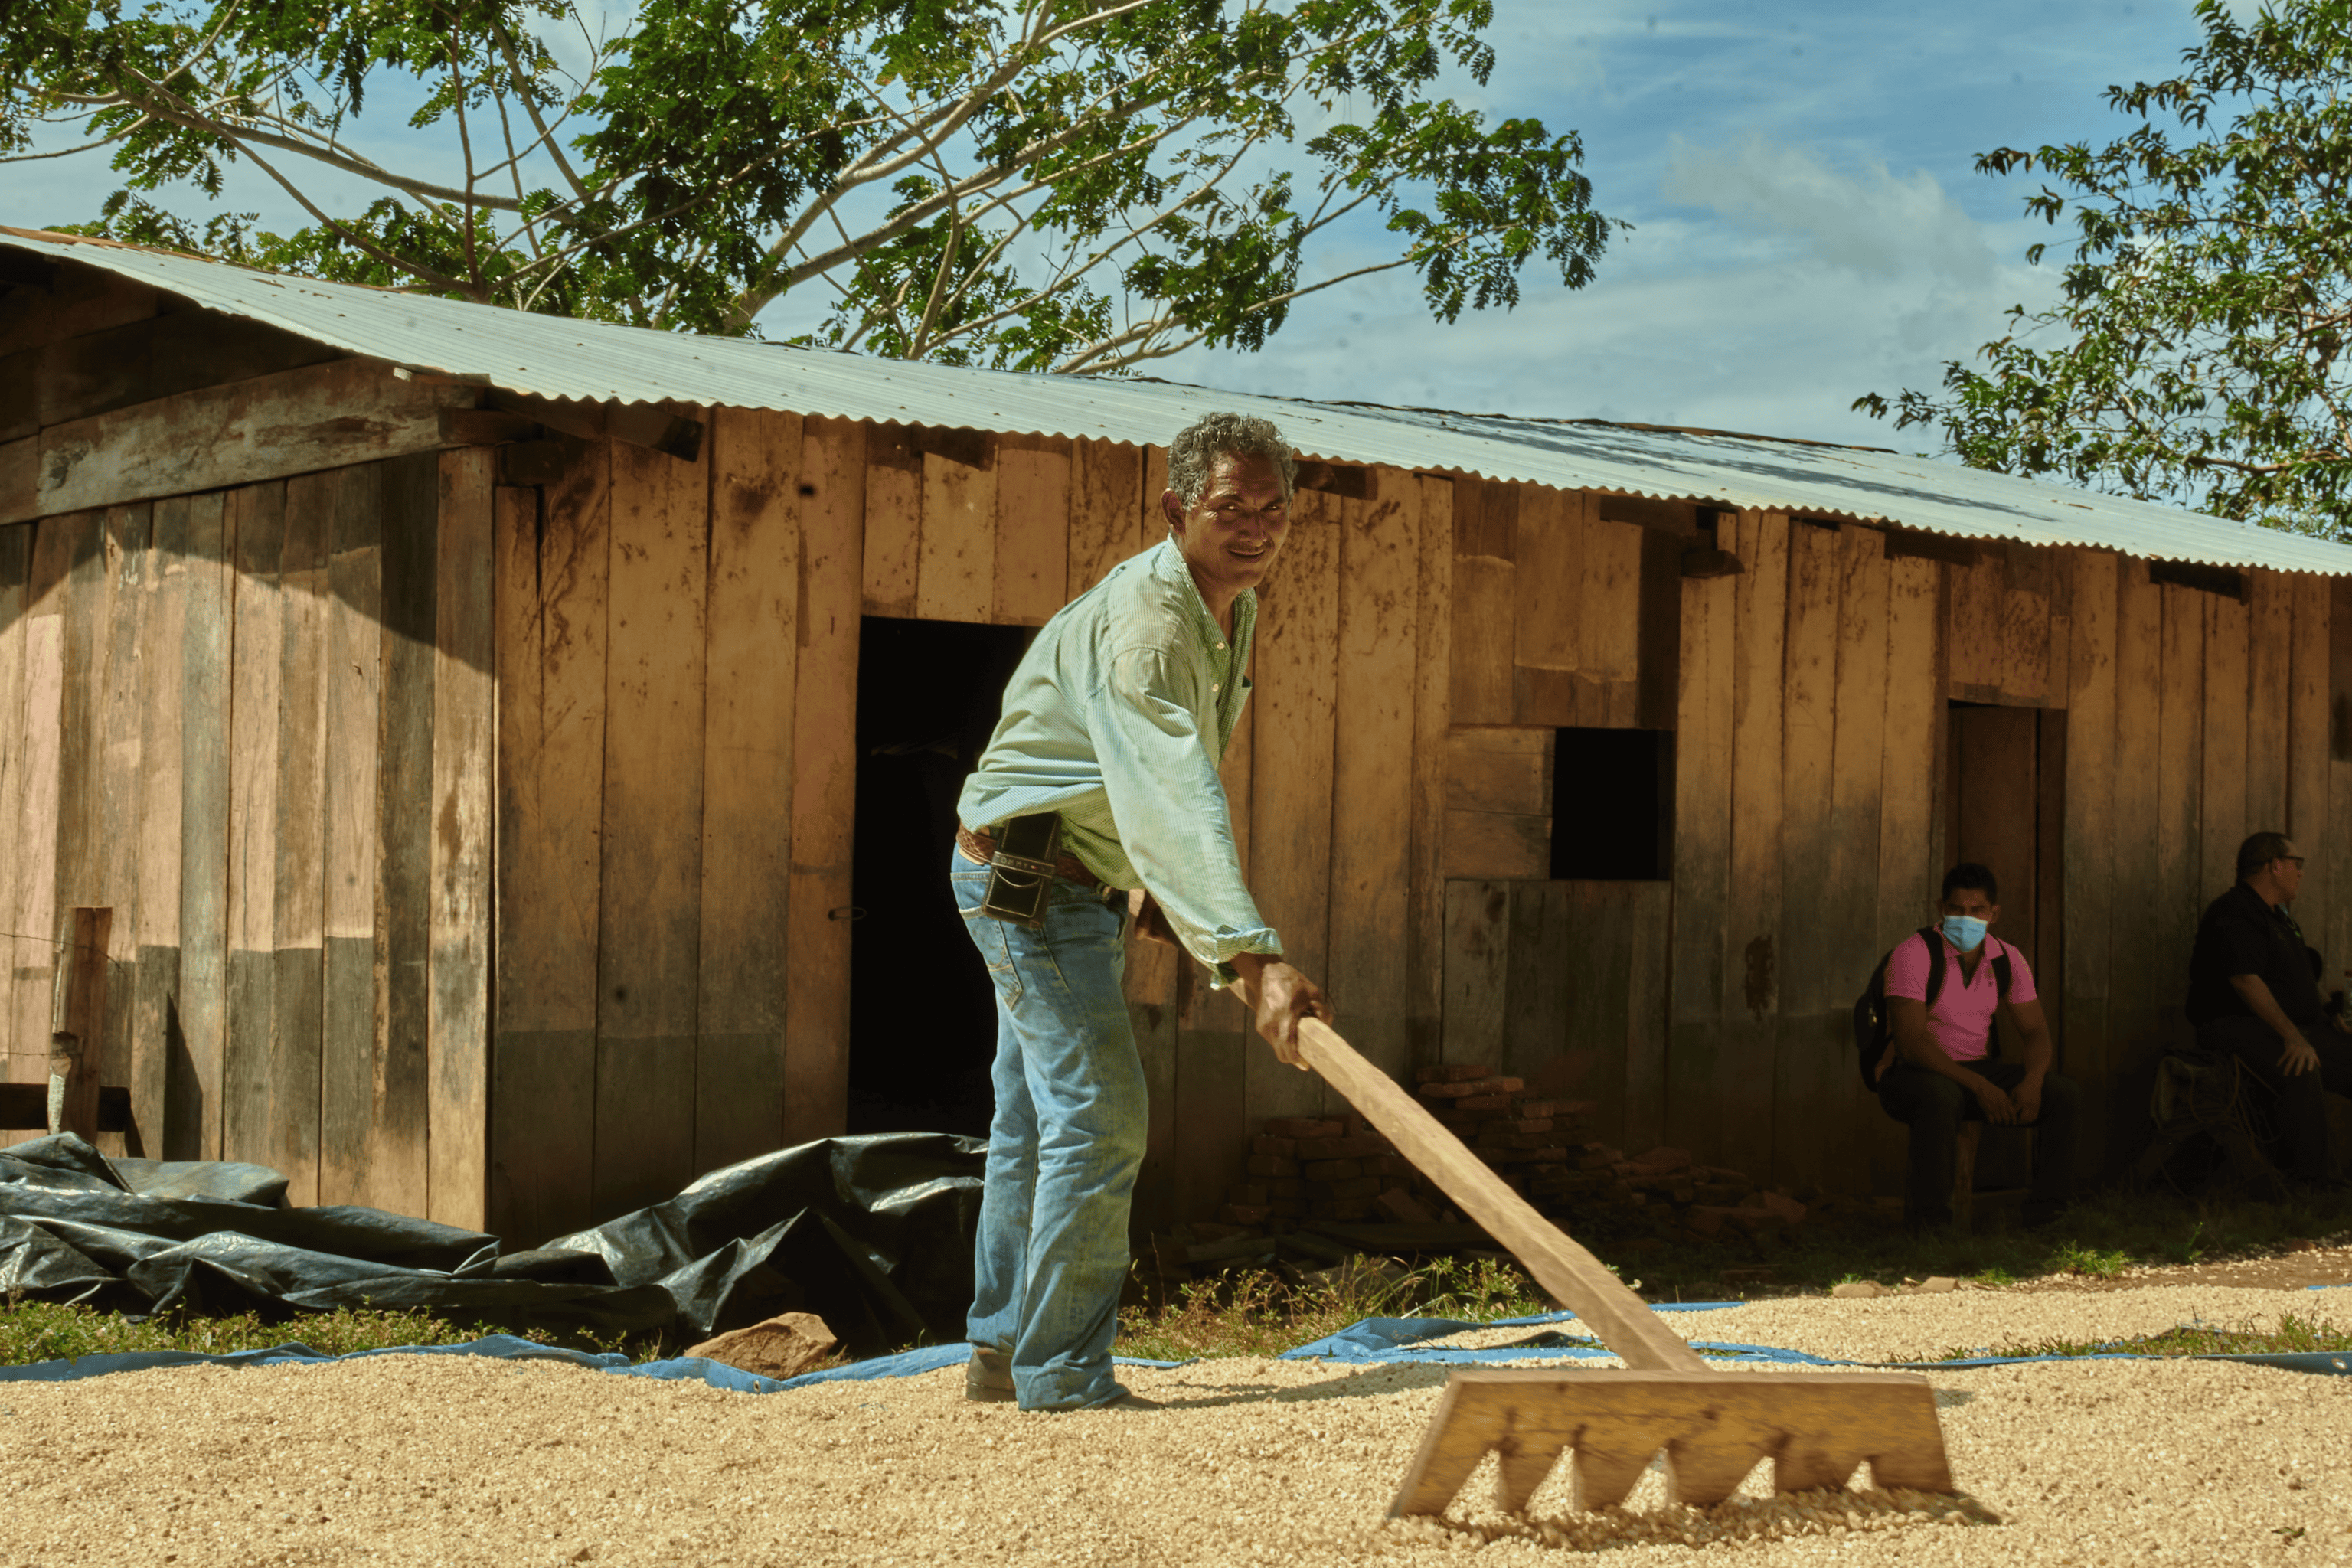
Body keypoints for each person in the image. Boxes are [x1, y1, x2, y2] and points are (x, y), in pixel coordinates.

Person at [949, 412, 1334, 1411]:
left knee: (1040, 1120)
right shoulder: (1154, 621)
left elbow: (1150, 781)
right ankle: (1064, 1377)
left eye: (1272, 509)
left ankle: (1001, 1356)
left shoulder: (1229, 605)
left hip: (1069, 878)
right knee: (1104, 1118)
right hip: (1026, 886)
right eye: (1229, 508)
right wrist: (1255, 962)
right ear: (1175, 509)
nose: (1254, 528)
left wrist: (1157, 890)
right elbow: (1171, 784)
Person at [1874, 862, 2079, 1230]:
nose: (1965, 918)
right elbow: (1912, 1044)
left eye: (1977, 910)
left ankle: (2048, 1219)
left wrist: (2032, 1081)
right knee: (1941, 1098)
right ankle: (1928, 1229)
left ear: (1993, 913)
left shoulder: (2008, 959)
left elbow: (2035, 1033)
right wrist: (1980, 1086)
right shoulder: (1913, 953)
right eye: (1956, 909)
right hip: (1911, 1075)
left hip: (1974, 1072)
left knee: (2062, 1094)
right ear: (1941, 908)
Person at [2185, 831, 2352, 1186]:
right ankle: (2312, 1183)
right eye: (2297, 864)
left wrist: (2331, 1017)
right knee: (2302, 1066)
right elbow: (2246, 980)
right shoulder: (2235, 912)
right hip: (2234, 1025)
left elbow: (2303, 979)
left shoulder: (2282, 918)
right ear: (2274, 866)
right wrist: (2293, 1036)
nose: (2301, 872)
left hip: (2294, 1027)